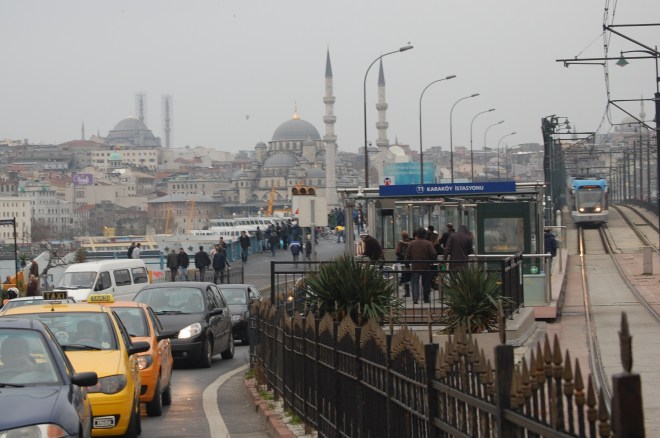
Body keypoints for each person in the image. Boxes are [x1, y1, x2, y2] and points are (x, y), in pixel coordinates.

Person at [405, 228, 437, 304]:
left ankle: (415, 299)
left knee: (415, 283)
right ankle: (426, 299)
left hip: (415, 266)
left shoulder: (412, 243)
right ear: (425, 235)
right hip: (426, 266)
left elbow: (407, 255)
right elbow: (434, 254)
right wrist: (431, 261)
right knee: (426, 283)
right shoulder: (428, 243)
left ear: (417, 234)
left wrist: (407, 265)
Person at [395, 230, 413, 297]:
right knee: (409, 275)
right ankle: (412, 291)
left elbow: (397, 252)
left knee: (405, 275)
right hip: (410, 261)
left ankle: (407, 291)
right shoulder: (411, 242)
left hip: (403, 261)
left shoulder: (400, 243)